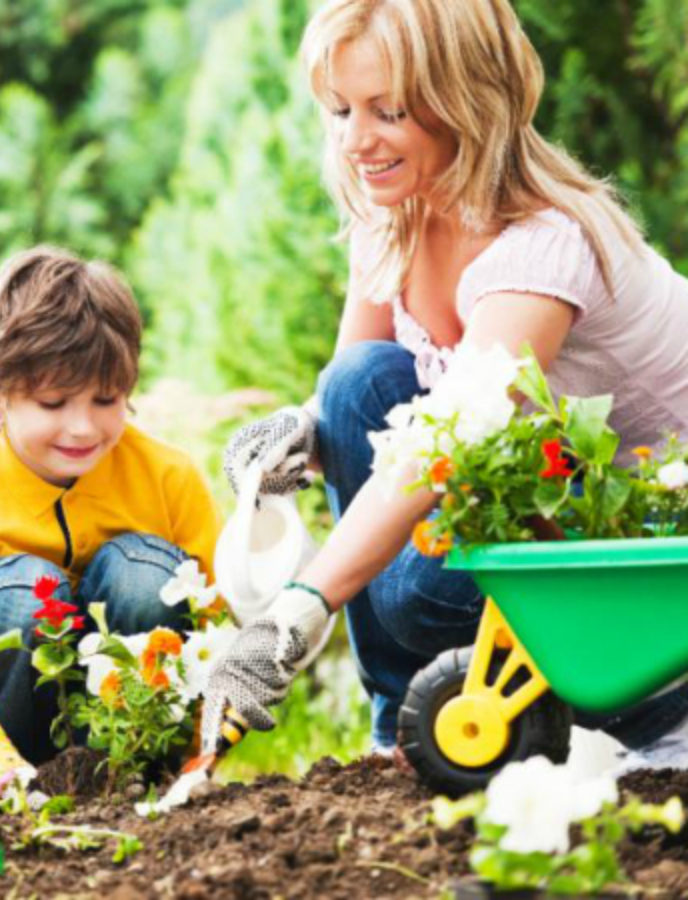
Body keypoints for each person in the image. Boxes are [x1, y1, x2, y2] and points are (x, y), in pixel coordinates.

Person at [202, 0, 688, 766]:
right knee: (355, 384)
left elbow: (446, 440)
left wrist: (298, 611)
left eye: (388, 110)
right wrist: (298, 432)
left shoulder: (542, 249)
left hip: (641, 574)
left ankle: (631, 704)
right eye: (340, 110)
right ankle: (402, 728)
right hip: (540, 511)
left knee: (412, 591)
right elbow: (356, 392)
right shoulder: (394, 214)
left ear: (468, 101)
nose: (357, 140)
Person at [0, 246, 222, 782]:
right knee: (25, 593)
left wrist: (200, 756)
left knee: (147, 578)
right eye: (53, 404)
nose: (84, 428)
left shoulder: (168, 478)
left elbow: (218, 622)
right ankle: (32, 778)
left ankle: (132, 773)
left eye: (106, 399)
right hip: (12, 753)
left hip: (135, 730)